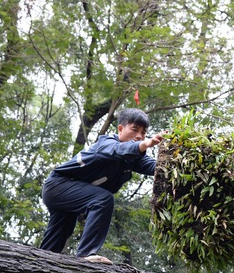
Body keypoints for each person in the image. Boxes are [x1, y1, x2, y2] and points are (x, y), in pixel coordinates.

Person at [39, 108, 164, 263]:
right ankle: (86, 254)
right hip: (58, 185)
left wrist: (176, 156)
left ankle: (40, 264)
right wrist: (146, 143)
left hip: (70, 194)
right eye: (135, 129)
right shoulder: (107, 143)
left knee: (58, 235)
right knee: (102, 199)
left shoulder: (134, 159)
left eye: (144, 133)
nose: (140, 136)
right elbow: (118, 150)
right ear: (120, 129)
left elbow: (159, 168)